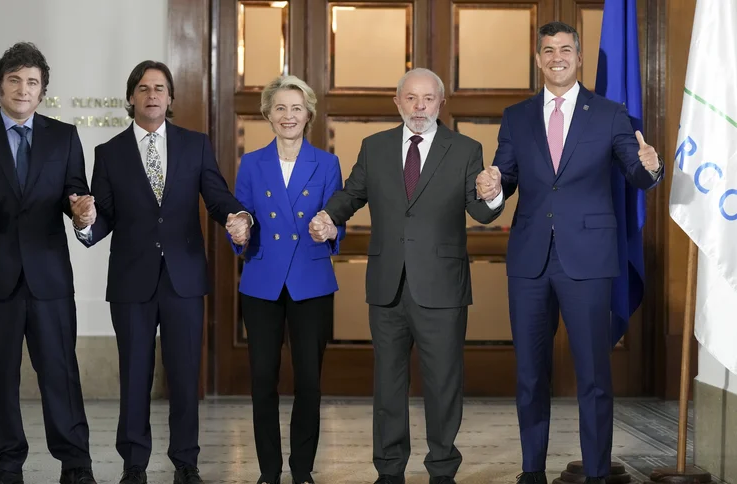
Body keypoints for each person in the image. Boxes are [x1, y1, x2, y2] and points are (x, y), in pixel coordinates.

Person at [482, 21, 663, 484]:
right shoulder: (516, 116)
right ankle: (531, 472)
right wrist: (491, 190)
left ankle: (598, 474)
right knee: (529, 375)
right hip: (529, 261)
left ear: (579, 58)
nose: (557, 57)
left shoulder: (608, 112)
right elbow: (504, 178)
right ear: (538, 59)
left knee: (595, 377)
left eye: (566, 49)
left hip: (589, 257)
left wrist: (651, 168)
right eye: (548, 50)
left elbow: (635, 172)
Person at [309, 67, 504, 484]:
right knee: (388, 384)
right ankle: (390, 471)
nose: (419, 107)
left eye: (428, 99)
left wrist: (494, 193)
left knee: (444, 384)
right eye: (411, 98)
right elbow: (352, 193)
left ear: (441, 103)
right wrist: (328, 215)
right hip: (387, 285)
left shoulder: (466, 149)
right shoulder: (374, 146)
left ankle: (442, 471)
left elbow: (482, 211)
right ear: (397, 102)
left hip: (443, 288)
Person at [73, 60, 251, 484]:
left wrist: (236, 216)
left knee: (185, 373)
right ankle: (134, 464)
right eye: (144, 87)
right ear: (131, 96)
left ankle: (185, 462)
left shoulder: (195, 145)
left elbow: (217, 196)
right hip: (131, 281)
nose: (152, 94)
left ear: (170, 98)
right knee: (134, 374)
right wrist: (83, 222)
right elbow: (103, 219)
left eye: (160, 88)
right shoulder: (109, 152)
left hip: (184, 278)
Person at [0, 42, 97, 484]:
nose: (23, 89)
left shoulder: (64, 136)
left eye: (32, 82)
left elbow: (75, 191)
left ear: (43, 91)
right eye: (14, 80)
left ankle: (76, 463)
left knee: (60, 373)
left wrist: (82, 211)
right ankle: (6, 463)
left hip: (48, 278)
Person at [229, 75, 345, 484]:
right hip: (262, 281)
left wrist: (331, 232)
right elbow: (240, 216)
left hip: (310, 281)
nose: (288, 115)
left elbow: (337, 219)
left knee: (309, 380)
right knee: (263, 379)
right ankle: (268, 471)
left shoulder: (327, 163)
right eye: (280, 107)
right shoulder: (252, 163)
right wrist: (238, 229)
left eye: (296, 108)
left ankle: (301, 470)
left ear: (309, 114)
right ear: (268, 114)